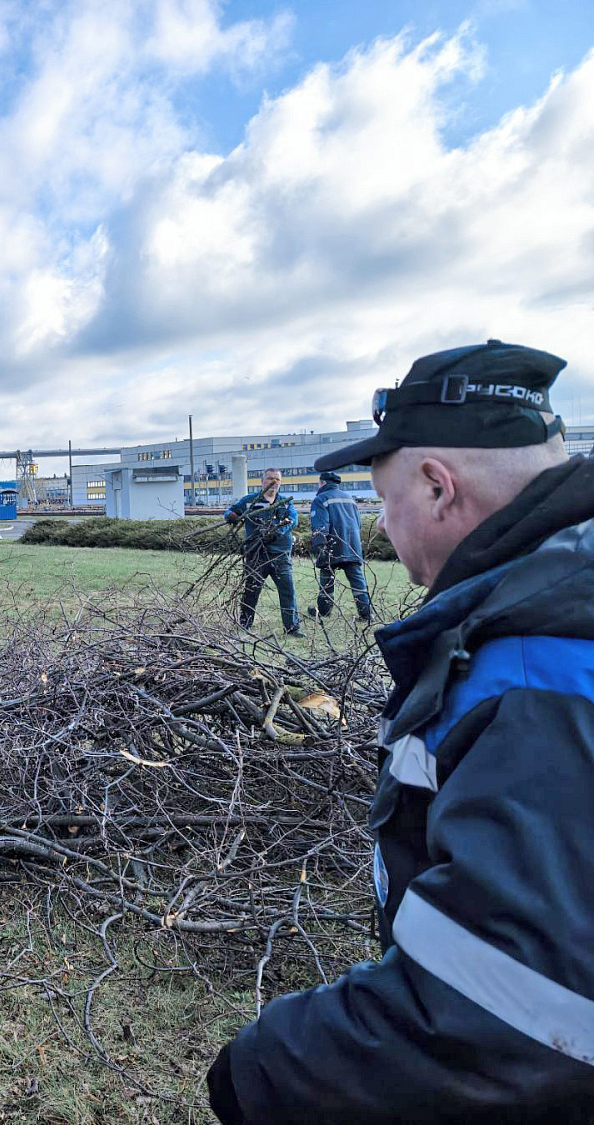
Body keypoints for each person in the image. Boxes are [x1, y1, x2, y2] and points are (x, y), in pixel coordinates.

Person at [207, 340, 594, 1125]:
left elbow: (512, 1012)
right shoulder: (544, 604)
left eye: (385, 500)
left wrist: (263, 1069)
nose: (380, 524)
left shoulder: (536, 670)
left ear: (439, 487)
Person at [225, 468, 302, 635]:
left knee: (288, 591)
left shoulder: (285, 502)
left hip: (280, 555)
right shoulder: (250, 501)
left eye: (277, 479)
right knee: (251, 590)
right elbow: (230, 511)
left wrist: (276, 533)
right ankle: (245, 624)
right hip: (256, 554)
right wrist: (230, 516)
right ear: (262, 481)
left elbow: (293, 520)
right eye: (270, 478)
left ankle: (292, 627)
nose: (273, 482)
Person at [308, 471, 371, 623]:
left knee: (327, 580)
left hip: (331, 546)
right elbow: (358, 524)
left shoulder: (320, 499)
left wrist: (319, 547)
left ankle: (324, 611)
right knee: (358, 582)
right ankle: (367, 614)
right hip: (352, 546)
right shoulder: (350, 499)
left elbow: (320, 526)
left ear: (322, 482)